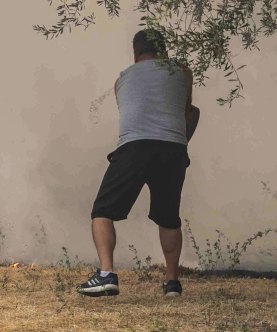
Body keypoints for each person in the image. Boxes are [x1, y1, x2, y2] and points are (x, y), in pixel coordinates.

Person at [77, 29, 200, 298]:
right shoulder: (182, 71)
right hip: (172, 149)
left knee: (103, 211)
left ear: (136, 53)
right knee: (169, 218)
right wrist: (181, 146)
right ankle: (172, 284)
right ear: (164, 50)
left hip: (134, 146)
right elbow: (188, 111)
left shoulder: (122, 79)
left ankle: (107, 275)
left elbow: (136, 112)